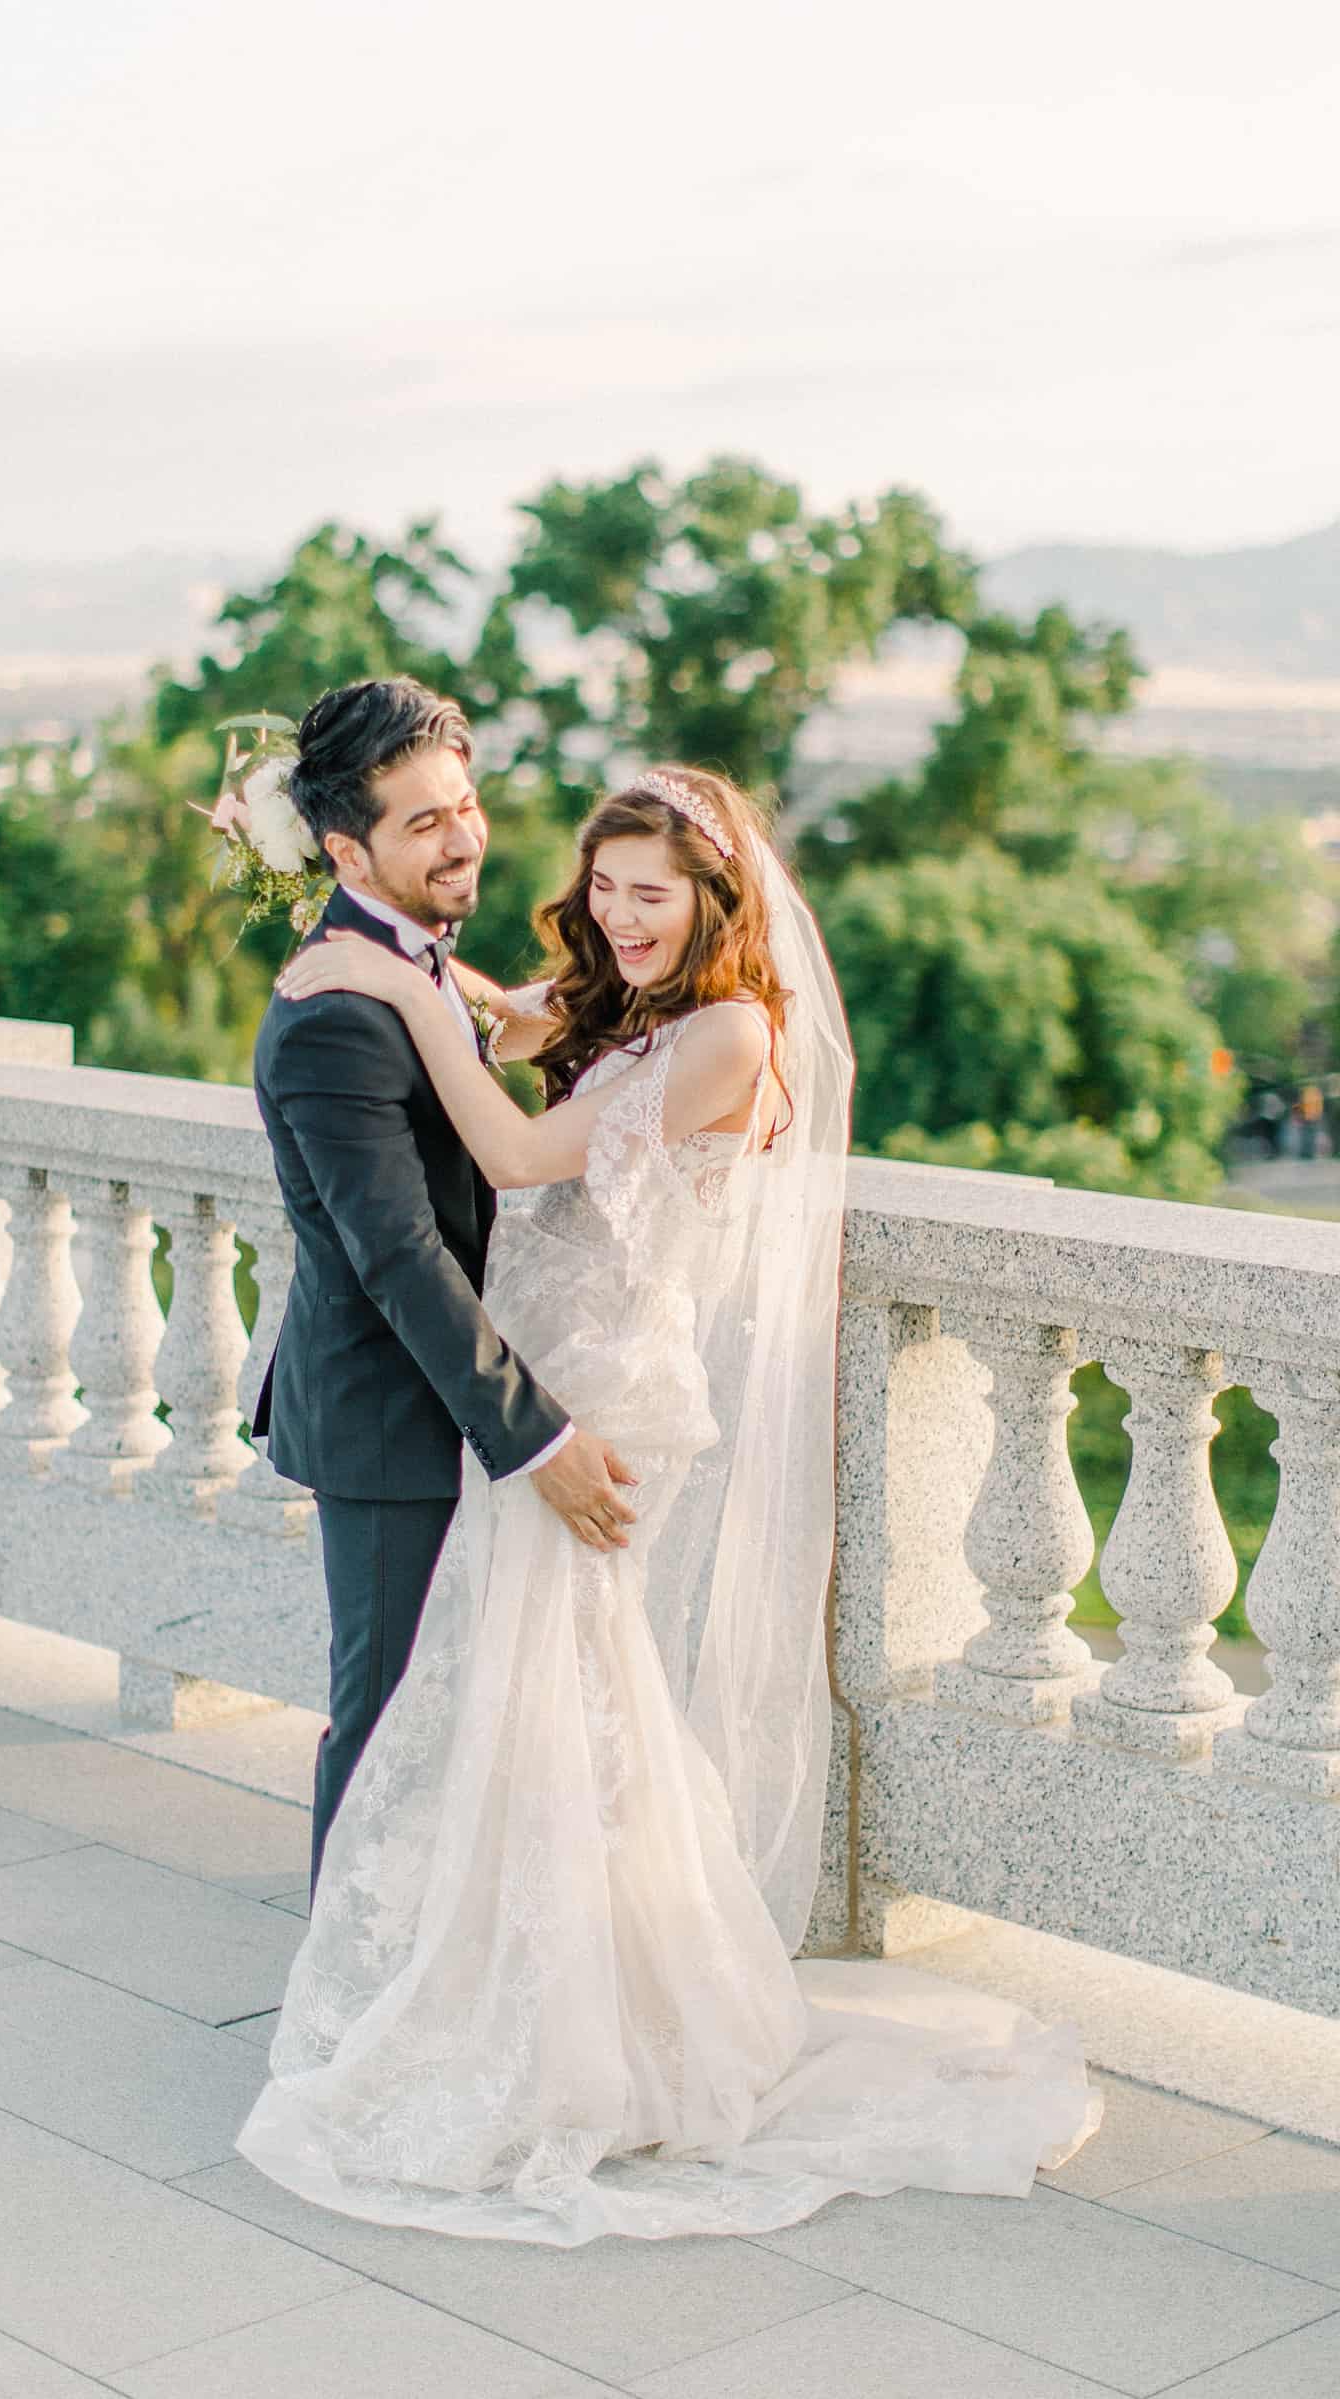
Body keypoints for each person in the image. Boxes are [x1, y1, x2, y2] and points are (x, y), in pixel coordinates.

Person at [235, 759, 1103, 2244]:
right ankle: (544, 1987)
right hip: (552, 1371)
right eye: (607, 889)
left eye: (657, 892)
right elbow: (516, 1019)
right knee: (555, 1703)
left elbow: (508, 1146)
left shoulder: (730, 1034)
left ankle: (550, 2023)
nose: (623, 916)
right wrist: (404, 961)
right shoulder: (629, 1014)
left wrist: (372, 984)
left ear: (721, 901)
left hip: (596, 1404)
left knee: (542, 1687)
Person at [248, 680, 640, 1898]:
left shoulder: (411, 962)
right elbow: (395, 1255)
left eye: (464, 805)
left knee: (467, 1707)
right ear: (344, 848)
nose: (464, 837)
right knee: (386, 1718)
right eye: (423, 824)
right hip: (385, 1418)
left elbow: (489, 1029)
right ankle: (342, 1999)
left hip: (454, 1395)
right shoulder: (333, 1016)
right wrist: (536, 1439)